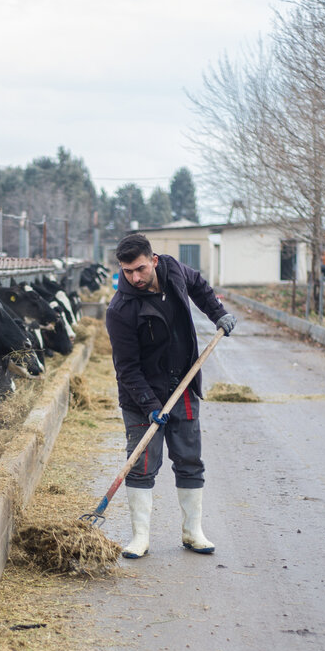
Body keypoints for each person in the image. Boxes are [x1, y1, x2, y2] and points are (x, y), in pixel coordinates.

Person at [104, 233, 237, 559]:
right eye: (127, 271)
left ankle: (193, 533)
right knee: (142, 464)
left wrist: (217, 312)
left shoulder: (174, 270)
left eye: (139, 269)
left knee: (189, 458)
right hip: (140, 396)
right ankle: (140, 537)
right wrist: (150, 406)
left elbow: (201, 287)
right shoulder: (120, 310)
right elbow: (127, 369)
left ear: (154, 261)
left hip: (184, 385)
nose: (134, 277)